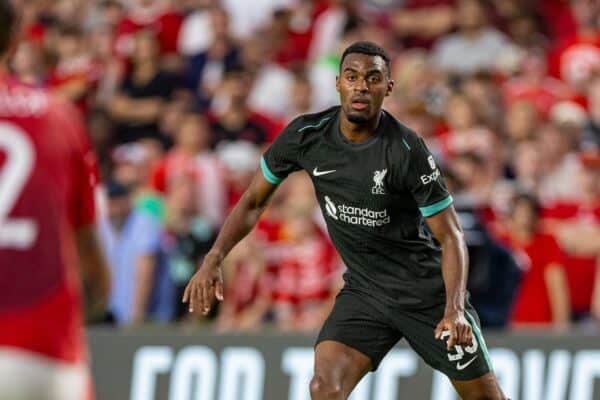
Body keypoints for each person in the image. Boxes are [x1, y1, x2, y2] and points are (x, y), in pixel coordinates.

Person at [183, 41, 506, 399]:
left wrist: (455, 309)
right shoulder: (306, 136)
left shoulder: (406, 150)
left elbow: (451, 237)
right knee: (324, 388)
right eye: (352, 77)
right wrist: (213, 258)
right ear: (338, 83)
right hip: (364, 292)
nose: (361, 86)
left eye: (373, 78)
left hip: (425, 294)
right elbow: (253, 202)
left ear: (388, 87)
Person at [0, 1, 111, 399]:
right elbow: (87, 244)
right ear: (15, 41)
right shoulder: (59, 114)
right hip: (45, 345)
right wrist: (99, 297)